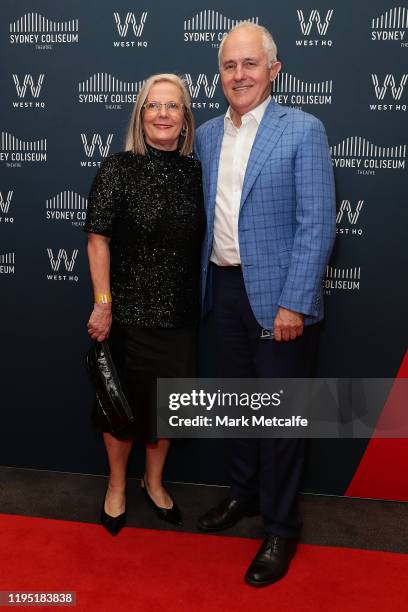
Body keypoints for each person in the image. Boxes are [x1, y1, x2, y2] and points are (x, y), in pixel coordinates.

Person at [195, 23, 336, 586]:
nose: (240, 75)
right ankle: (244, 496)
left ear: (273, 70)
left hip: (279, 298)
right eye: (230, 66)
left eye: (250, 64)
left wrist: (294, 303)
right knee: (236, 407)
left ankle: (280, 527)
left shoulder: (303, 129)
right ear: (220, 74)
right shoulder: (206, 134)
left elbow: (316, 223)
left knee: (279, 420)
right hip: (223, 289)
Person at [84, 74, 204, 535]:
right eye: (153, 106)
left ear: (185, 118)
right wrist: (103, 303)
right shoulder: (118, 167)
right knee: (120, 408)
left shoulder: (197, 171)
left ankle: (153, 483)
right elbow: (98, 241)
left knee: (167, 408)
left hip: (180, 314)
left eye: (172, 107)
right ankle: (116, 486)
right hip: (127, 315)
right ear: (140, 114)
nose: (162, 115)